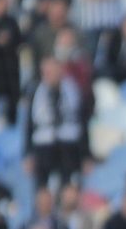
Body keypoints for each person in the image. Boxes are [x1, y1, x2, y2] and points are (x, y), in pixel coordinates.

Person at [25, 57, 87, 191]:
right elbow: (29, 125)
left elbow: (82, 122)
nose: (48, 76)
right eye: (45, 72)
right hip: (44, 146)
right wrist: (28, 153)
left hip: (68, 146)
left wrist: (86, 154)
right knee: (43, 188)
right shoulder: (36, 93)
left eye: (51, 72)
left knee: (69, 186)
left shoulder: (73, 91)